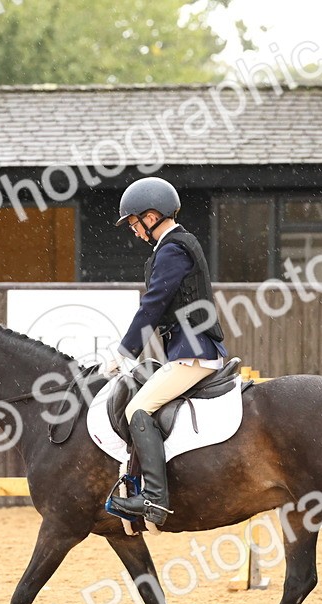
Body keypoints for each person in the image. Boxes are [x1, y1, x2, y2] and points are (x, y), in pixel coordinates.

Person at [100, 176, 227, 527]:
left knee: (138, 408)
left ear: (151, 216)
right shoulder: (173, 247)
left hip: (194, 353)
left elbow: (153, 305)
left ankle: (155, 500)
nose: (134, 230)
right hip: (190, 349)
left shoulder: (172, 249)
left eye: (134, 223)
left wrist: (125, 352)